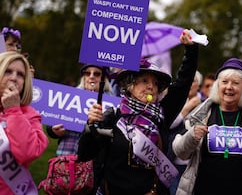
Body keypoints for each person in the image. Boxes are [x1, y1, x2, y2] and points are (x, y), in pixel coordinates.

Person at [77, 29, 199, 195]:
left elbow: (182, 85)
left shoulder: (162, 114)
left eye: (156, 83)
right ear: (130, 85)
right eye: (144, 81)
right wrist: (90, 125)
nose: (151, 86)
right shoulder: (113, 115)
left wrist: (191, 51)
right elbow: (85, 153)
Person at [172, 58, 242, 195]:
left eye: (235, 83)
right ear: (217, 85)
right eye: (225, 82)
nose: (229, 87)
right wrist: (191, 136)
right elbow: (180, 152)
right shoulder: (201, 114)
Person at [0, 51, 49, 194]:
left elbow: (27, 153)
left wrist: (13, 111)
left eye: (20, 74)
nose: (14, 78)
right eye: (8, 71)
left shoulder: (30, 115)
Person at [46, 64, 112, 156]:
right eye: (87, 73)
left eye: (97, 74)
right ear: (83, 77)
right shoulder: (69, 96)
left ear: (104, 79)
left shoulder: (112, 104)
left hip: (93, 162)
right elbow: (51, 123)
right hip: (65, 158)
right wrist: (54, 130)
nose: (91, 76)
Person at [168, 70, 203, 195]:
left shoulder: (205, 103)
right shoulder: (176, 100)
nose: (190, 84)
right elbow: (169, 125)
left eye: (193, 81)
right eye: (189, 80)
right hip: (174, 160)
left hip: (195, 162)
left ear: (199, 85)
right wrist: (187, 108)